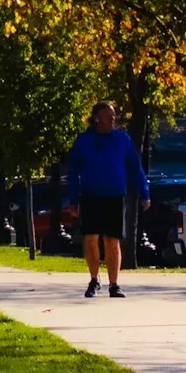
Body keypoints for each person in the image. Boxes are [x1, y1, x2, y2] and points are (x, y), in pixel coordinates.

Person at [65, 101, 148, 298]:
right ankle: (94, 280)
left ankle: (114, 284)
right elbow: (72, 171)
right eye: (108, 115)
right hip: (91, 195)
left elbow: (135, 169)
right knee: (90, 238)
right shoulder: (84, 141)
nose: (113, 118)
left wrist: (144, 192)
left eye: (114, 115)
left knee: (112, 240)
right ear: (96, 118)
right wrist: (73, 199)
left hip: (114, 196)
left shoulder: (122, 139)